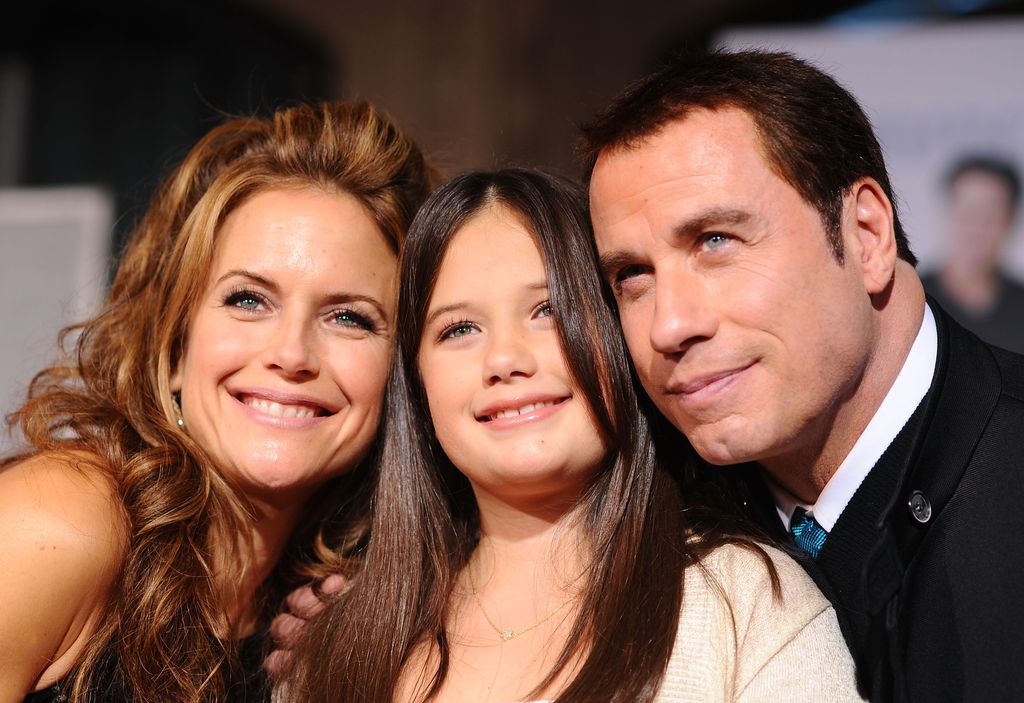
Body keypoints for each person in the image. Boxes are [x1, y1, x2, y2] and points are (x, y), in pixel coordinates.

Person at [282, 168, 862, 702]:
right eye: (459, 329)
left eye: (548, 310)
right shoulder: (334, 647)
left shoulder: (747, 606)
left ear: (616, 333)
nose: (505, 359)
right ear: (418, 383)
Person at [581, 50, 1024, 702]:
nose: (667, 326)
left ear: (867, 235)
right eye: (632, 275)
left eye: (715, 240)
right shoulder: (631, 520)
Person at [0, 101, 436, 702]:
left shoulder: (318, 616)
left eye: (349, 317)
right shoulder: (64, 520)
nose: (292, 353)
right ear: (175, 345)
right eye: (248, 300)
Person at [922, 154, 1024, 353]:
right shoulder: (913, 299)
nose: (977, 227)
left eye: (990, 214)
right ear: (949, 213)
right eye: (968, 211)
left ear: (1010, 221)